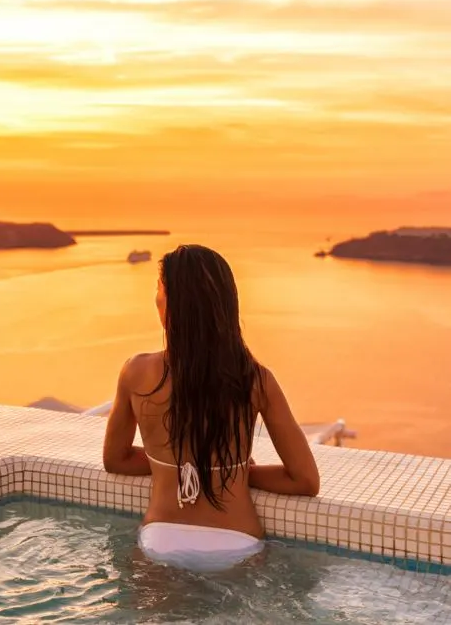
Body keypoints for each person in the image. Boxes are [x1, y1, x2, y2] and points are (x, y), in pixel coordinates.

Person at [102, 245, 320, 572]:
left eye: (158, 289)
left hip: (162, 540)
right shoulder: (255, 380)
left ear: (171, 304)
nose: (156, 298)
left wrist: (171, 466)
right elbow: (304, 481)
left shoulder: (136, 373)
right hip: (236, 542)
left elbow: (115, 460)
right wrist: (242, 472)